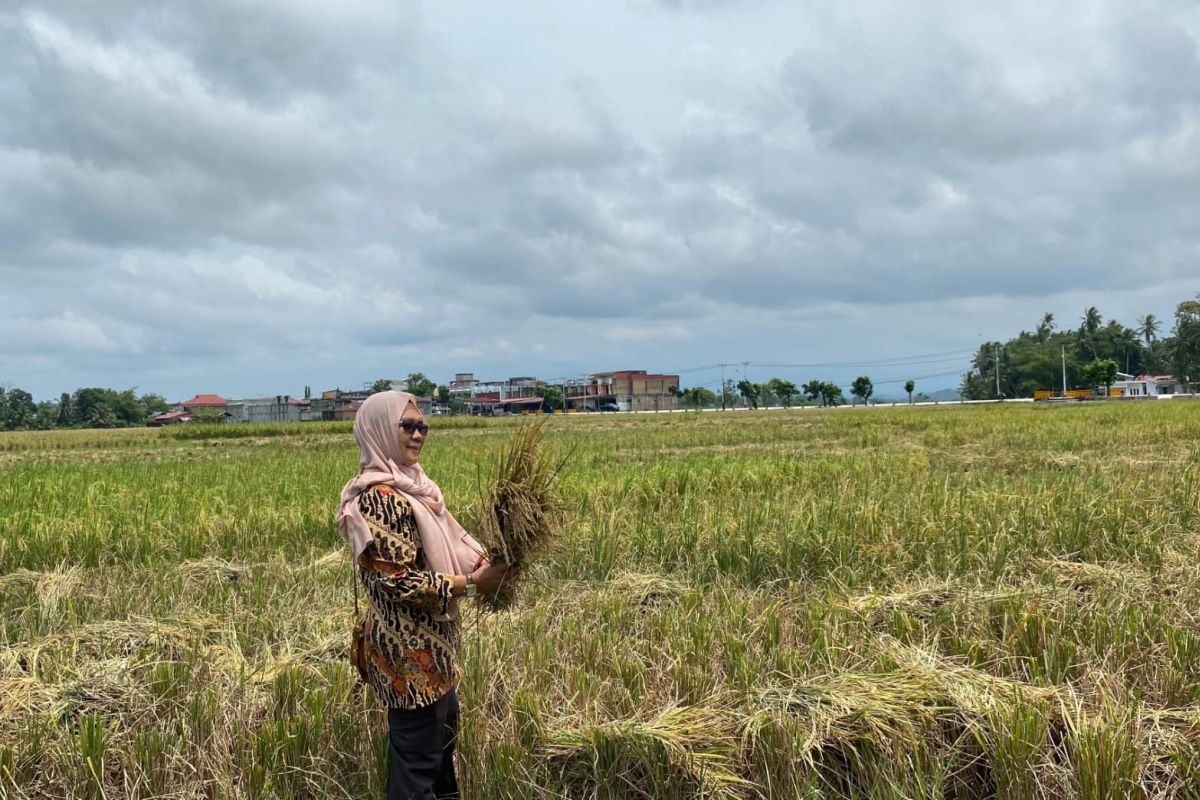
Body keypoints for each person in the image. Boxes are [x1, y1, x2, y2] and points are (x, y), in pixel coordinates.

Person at [337, 391, 511, 799]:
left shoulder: (417, 489)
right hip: (408, 661)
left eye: (423, 427)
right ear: (378, 430)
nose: (418, 435)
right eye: (407, 426)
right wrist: (471, 584)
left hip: (433, 657)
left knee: (437, 759)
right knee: (416, 770)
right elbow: (394, 582)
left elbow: (440, 553)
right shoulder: (381, 500)